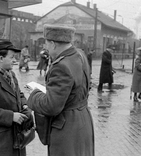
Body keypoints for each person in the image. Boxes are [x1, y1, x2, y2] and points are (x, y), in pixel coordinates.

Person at [27, 24, 94, 156]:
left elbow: (52, 106)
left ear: (53, 44)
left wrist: (33, 95)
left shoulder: (61, 66)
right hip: (83, 121)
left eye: (46, 43)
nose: (45, 48)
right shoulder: (79, 55)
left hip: (67, 127)